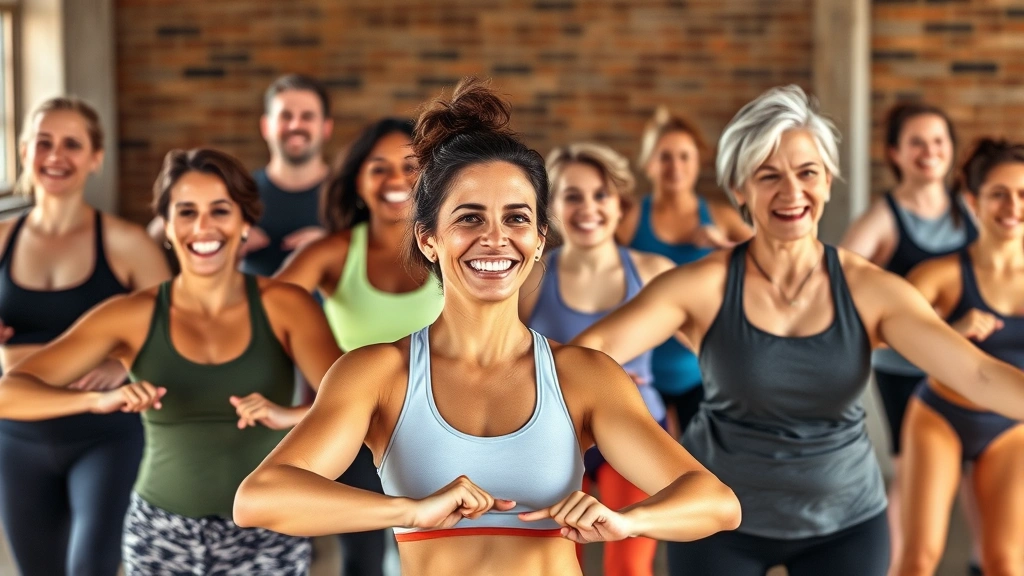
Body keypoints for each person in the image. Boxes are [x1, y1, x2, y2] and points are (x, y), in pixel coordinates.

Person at [234, 77, 742, 576]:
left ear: (540, 240)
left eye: (516, 218)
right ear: (429, 240)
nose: (496, 238)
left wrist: (629, 520)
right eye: (469, 218)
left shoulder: (583, 376)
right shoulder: (378, 374)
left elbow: (717, 503)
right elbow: (259, 499)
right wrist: (410, 510)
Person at [573, 85, 1024, 576]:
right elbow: (590, 351)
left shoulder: (870, 290)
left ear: (828, 180)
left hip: (846, 522)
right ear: (740, 190)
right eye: (769, 176)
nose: (791, 192)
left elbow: (977, 374)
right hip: (719, 521)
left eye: (807, 172)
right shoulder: (704, 286)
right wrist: (608, 395)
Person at [0, 148, 341, 575]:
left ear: (245, 222)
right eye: (186, 212)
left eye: (220, 210)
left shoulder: (285, 306)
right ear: (166, 225)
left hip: (269, 528)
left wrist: (287, 415)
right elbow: (9, 393)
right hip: (160, 535)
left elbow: (355, 406)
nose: (203, 227)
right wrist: (95, 401)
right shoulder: (132, 315)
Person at [0, 97, 170, 576]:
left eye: (72, 144)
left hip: (105, 436)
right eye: (43, 142)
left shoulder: (127, 244)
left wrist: (120, 363)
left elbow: (173, 332)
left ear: (96, 157)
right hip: (18, 435)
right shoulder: (2, 239)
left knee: (90, 567)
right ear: (24, 151)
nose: (56, 155)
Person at [275, 117, 444, 576]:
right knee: (362, 560)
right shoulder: (332, 252)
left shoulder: (450, 246)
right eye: (378, 168)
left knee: (432, 555)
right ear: (356, 182)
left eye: (409, 167)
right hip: (356, 428)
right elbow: (266, 309)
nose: (395, 180)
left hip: (439, 427)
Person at [520, 141, 675, 576]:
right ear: (552, 208)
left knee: (629, 565)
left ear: (620, 203)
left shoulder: (654, 271)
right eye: (573, 196)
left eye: (600, 195)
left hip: (637, 427)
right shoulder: (532, 276)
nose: (588, 208)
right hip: (555, 435)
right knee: (557, 563)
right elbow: (505, 353)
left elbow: (709, 342)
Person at [840, 103, 978, 567]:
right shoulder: (883, 217)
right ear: (894, 153)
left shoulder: (971, 208)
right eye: (916, 142)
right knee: (913, 472)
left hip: (966, 363)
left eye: (938, 141)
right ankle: (892, 565)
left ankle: (986, 561)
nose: (929, 151)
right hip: (905, 369)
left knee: (977, 466)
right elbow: (836, 281)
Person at [897, 139, 1024, 576]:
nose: (1013, 206)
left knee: (1006, 563)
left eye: (1022, 194)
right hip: (941, 416)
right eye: (998, 194)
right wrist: (949, 333)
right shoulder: (941, 274)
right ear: (973, 201)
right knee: (918, 559)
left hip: (1011, 428)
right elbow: (885, 339)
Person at [616, 106, 751, 438]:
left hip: (701, 371)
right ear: (648, 163)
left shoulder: (721, 218)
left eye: (684, 156)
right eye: (665, 157)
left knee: (702, 463)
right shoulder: (630, 219)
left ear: (698, 161)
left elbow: (771, 261)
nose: (675, 167)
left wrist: (724, 245)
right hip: (643, 372)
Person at [147, 74, 333, 276]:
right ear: (265, 126)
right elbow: (155, 235)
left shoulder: (348, 193)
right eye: (285, 116)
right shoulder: (237, 188)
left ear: (326, 127)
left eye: (307, 117)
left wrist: (336, 247)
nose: (295, 125)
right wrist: (226, 238)